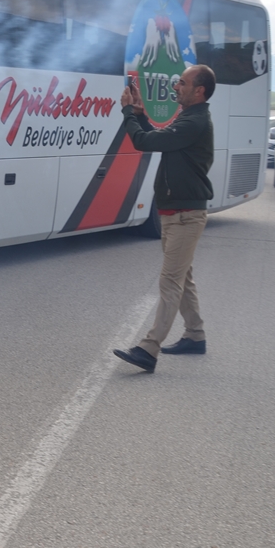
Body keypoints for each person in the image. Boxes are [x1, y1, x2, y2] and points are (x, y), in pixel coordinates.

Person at [113, 65, 217, 373]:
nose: (176, 87)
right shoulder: (188, 119)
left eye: (182, 83)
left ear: (199, 91)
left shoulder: (195, 121)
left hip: (186, 216)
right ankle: (195, 335)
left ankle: (149, 348)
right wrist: (141, 116)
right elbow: (157, 137)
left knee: (169, 281)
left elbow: (144, 143)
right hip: (176, 214)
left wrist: (128, 114)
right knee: (182, 278)